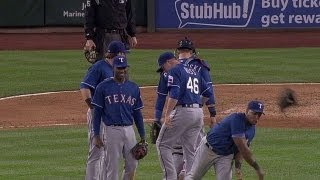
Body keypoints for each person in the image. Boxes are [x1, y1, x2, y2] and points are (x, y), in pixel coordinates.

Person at [155, 51, 213, 180]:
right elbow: (208, 93)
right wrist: (197, 105)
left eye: (163, 67)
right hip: (198, 114)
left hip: (183, 112)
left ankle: (170, 177)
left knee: (162, 144)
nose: (164, 71)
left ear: (168, 62)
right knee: (190, 150)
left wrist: (167, 114)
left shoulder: (173, 71)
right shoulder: (193, 70)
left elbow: (174, 94)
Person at [91, 55, 146, 180]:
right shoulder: (102, 87)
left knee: (132, 164)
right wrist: (96, 135)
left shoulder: (133, 88)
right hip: (111, 131)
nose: (122, 71)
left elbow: (137, 114)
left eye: (124, 68)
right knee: (112, 166)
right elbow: (97, 113)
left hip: (129, 129)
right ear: (114, 68)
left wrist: (142, 135)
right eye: (119, 68)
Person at [80, 40, 128, 180]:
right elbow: (84, 87)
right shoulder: (99, 67)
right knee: (96, 151)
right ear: (118, 54)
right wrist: (94, 108)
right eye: (123, 54)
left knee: (108, 152)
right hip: (99, 114)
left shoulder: (119, 69)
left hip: (112, 117)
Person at [185, 100, 265, 180]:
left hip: (225, 155)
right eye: (254, 113)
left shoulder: (252, 130)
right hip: (208, 149)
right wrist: (257, 168)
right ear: (247, 110)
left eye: (259, 114)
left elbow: (240, 152)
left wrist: (238, 168)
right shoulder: (236, 119)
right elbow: (243, 148)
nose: (257, 117)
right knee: (193, 177)